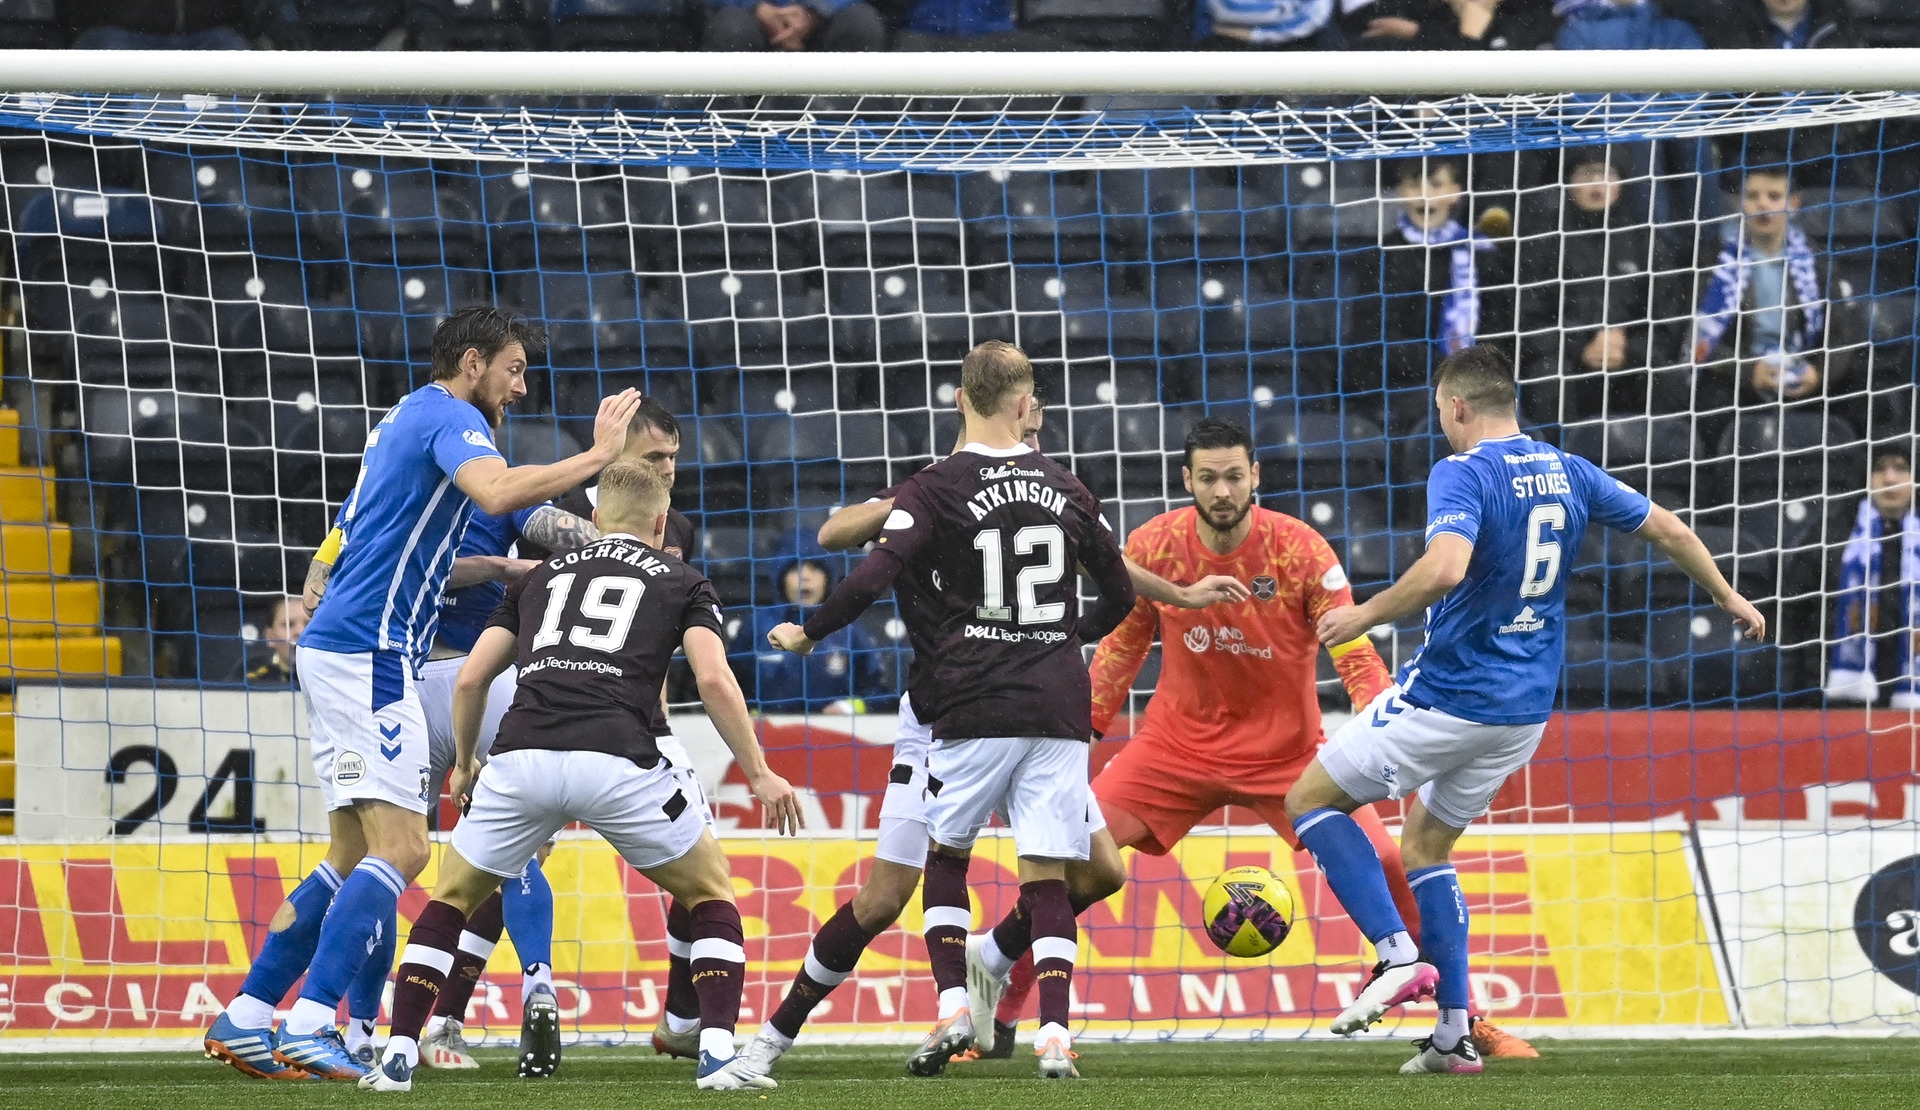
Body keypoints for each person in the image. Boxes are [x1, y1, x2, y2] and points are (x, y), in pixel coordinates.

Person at [722, 387, 1242, 1084]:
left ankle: (987, 962)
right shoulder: (937, 488)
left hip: (1005, 704)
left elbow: (1105, 562)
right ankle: (774, 1037)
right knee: (882, 900)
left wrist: (1173, 593)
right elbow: (833, 535)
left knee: (1103, 870)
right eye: (1034, 405)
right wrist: (904, 509)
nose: (1041, 416)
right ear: (1008, 407)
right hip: (938, 721)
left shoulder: (1045, 488)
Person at [1287, 344, 1764, 1075]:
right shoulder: (1567, 469)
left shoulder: (1463, 471)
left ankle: (1393, 957)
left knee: (1311, 800)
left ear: (1457, 407)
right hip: (1525, 711)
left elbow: (1445, 567)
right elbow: (1669, 528)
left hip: (1452, 695)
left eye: (1443, 414)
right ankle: (1452, 1037)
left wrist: (1366, 615)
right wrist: (1726, 595)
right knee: (1424, 848)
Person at [202, 307, 642, 1082]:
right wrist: (601, 455)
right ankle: (311, 1024)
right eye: (512, 369)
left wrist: (324, 567)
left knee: (351, 852)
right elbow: (499, 493)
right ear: (471, 362)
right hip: (370, 651)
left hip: (350, 646)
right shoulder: (449, 418)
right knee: (405, 850)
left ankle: (246, 1015)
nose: (521, 386)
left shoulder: (403, 414)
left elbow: (367, 524)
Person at [360, 461, 805, 1093]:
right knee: (709, 892)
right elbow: (711, 679)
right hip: (620, 759)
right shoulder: (683, 579)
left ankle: (399, 1054)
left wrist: (464, 762)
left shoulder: (540, 576)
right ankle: (713, 1056)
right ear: (660, 523)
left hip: (523, 755)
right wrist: (758, 771)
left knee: (451, 898)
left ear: (593, 521)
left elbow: (470, 678)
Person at [765, 340, 1136, 1079]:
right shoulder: (1065, 487)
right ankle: (1047, 1032)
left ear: (959, 399)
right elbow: (1121, 594)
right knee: (995, 881)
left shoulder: (939, 489)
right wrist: (1065, 635)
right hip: (1040, 700)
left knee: (976, 861)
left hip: (969, 701)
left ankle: (964, 991)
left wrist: (807, 632)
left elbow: (867, 571)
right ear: (1027, 405)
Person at [507, 396, 717, 1062]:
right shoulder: (556, 513)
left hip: (640, 727)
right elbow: (517, 517)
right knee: (512, 864)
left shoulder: (676, 523)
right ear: (614, 455)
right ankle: (454, 1017)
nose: (670, 469)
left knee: (696, 866)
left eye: (674, 458)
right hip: (557, 710)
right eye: (655, 457)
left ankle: (682, 1015)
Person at [405, 495, 599, 1075]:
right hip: (483, 672)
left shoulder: (386, 493)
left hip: (400, 680)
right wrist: (498, 567)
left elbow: (340, 565)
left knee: (387, 856)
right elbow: (576, 537)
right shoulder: (502, 488)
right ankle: (536, 982)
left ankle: (375, 1027)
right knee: (513, 849)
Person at [1515, 146, 1684, 425]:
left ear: (1621, 182)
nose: (1596, 183)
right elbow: (1527, 322)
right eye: (1586, 174)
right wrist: (1579, 347)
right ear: (1568, 182)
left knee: (1668, 377)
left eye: (1606, 173)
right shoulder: (1543, 242)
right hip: (1568, 367)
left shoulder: (1647, 242)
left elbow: (1667, 322)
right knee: (1547, 375)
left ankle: (1662, 464)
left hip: (1630, 368)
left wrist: (1629, 348)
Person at [1348, 157, 1515, 434]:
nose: (1425, 195)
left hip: (1478, 381)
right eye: (1414, 185)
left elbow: (1499, 323)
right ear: (1401, 192)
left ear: (1456, 192)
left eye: (1436, 185)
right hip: (1405, 384)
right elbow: (1371, 337)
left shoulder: (1481, 253)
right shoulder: (1380, 255)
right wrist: (1442, 369)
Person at [1688, 165, 1839, 416]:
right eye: (1753, 196)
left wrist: (1818, 373)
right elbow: (1696, 338)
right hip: (1736, 383)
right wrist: (1749, 372)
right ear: (1739, 203)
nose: (1763, 205)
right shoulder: (1712, 259)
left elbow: (1840, 333)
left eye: (1774, 196)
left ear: (1793, 203)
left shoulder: (1817, 260)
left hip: (1802, 374)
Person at [731, 543, 893, 714]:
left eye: (815, 569)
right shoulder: (756, 625)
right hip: (766, 735)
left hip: (833, 735)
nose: (805, 576)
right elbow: (731, 682)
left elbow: (879, 692)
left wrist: (847, 707)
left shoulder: (848, 628)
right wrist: (750, 713)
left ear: (828, 577)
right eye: (795, 569)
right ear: (781, 577)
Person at [1826, 448, 1920, 709]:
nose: (1890, 479)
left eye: (1901, 468)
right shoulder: (1832, 535)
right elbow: (1800, 615)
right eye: (1879, 468)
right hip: (1841, 700)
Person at [700, 0, 888, 51]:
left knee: (860, 23)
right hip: (744, 21)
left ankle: (840, 125)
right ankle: (726, 130)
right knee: (732, 28)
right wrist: (756, 7)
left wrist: (816, 10)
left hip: (825, 23)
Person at [1553, 0, 1704, 51]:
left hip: (1672, 124)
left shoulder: (1678, 31)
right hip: (1601, 124)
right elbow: (1580, 104)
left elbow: (1694, 95)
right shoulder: (1575, 32)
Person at [1194, 0, 1346, 50]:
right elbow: (1226, 9)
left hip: (1296, 47)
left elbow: (1311, 19)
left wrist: (1223, 30)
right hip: (1223, 43)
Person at [233, 596, 308, 687]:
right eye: (289, 625)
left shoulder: (329, 675)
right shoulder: (249, 674)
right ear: (270, 636)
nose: (300, 632)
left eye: (309, 624)